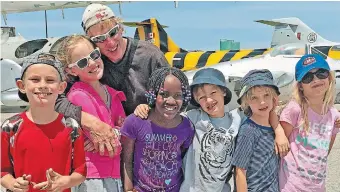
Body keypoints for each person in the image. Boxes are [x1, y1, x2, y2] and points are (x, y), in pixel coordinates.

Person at [134, 68, 289, 192]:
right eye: (201, 97)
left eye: (213, 93)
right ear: (196, 100)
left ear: (223, 91)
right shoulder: (193, 118)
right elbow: (167, 115)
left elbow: (265, 113)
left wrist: (279, 132)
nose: (208, 100)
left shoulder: (237, 118)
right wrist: (147, 108)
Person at [54, 3, 169, 156]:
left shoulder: (151, 56)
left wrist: (147, 115)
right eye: (100, 39)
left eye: (113, 32)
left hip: (151, 146)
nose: (110, 42)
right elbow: (54, 99)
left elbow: (175, 98)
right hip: (111, 156)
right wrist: (91, 125)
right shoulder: (91, 64)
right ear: (91, 43)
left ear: (121, 27)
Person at [1, 53, 86, 192]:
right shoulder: (10, 127)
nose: (42, 85)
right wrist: (12, 184)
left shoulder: (72, 126)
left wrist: (65, 181)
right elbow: (3, 171)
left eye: (50, 80)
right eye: (35, 79)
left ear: (61, 87)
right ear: (21, 85)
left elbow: (80, 172)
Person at [57, 35, 126, 192]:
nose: (93, 63)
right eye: (82, 62)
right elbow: (111, 144)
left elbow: (125, 132)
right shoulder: (78, 96)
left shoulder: (113, 95)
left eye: (94, 55)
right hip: (91, 176)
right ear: (71, 70)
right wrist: (117, 132)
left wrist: (116, 133)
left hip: (113, 173)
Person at [120, 67, 195, 192]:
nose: (171, 101)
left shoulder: (187, 127)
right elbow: (126, 160)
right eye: (163, 94)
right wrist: (128, 189)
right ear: (153, 94)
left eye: (178, 95)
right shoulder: (135, 122)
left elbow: (182, 156)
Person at [278, 54, 340, 192]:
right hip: (292, 187)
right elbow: (280, 145)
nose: (316, 79)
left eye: (321, 73)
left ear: (329, 77)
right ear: (300, 86)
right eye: (308, 77)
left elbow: (325, 151)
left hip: (318, 187)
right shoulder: (295, 109)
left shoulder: (333, 115)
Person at [231, 69, 281, 192]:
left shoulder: (273, 125)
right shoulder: (249, 130)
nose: (262, 102)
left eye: (266, 95)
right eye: (254, 98)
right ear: (246, 102)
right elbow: (240, 171)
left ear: (273, 98)